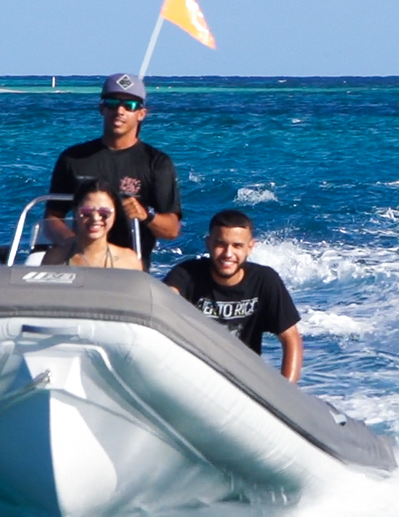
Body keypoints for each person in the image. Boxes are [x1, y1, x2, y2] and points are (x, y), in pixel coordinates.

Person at [45, 73, 182, 269]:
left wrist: (146, 215)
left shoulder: (157, 163)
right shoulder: (72, 159)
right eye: (112, 103)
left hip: (130, 267)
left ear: (141, 113)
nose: (119, 110)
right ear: (102, 108)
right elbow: (52, 218)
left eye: (129, 106)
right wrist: (74, 242)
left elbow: (171, 231)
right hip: (79, 263)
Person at [163, 210, 303, 383]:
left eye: (237, 246)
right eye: (220, 244)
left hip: (245, 381)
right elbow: (168, 296)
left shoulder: (264, 280)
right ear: (209, 243)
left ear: (250, 247)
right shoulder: (187, 274)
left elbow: (291, 339)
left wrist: (287, 392)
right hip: (193, 379)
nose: (228, 254)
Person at [42, 180, 143, 270]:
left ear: (115, 214)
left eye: (104, 213)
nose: (95, 218)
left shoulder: (129, 262)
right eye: (87, 212)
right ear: (75, 212)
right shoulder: (54, 259)